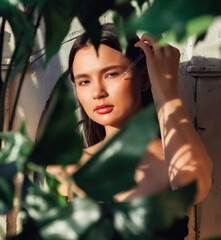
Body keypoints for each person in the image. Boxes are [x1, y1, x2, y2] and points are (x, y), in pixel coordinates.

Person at [47, 23, 212, 237]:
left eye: (111, 74)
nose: (98, 92)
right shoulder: (66, 168)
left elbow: (195, 188)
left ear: (144, 78)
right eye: (84, 81)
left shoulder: (172, 162)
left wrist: (166, 91)